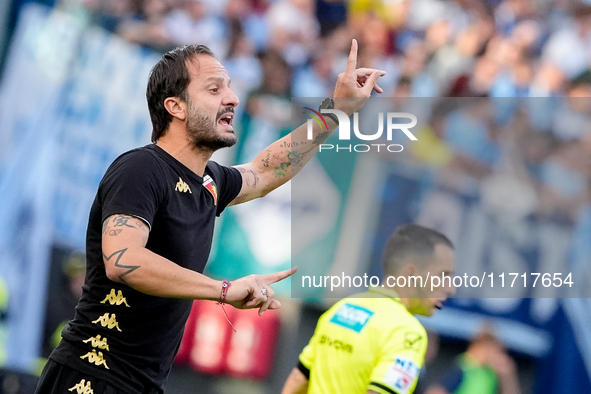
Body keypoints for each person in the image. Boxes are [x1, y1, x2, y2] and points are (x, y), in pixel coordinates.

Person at [34, 40, 385, 394]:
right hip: (92, 376)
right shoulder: (141, 168)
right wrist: (224, 290)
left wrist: (336, 110)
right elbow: (123, 261)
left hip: (141, 385)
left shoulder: (209, 183)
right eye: (214, 88)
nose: (232, 98)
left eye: (230, 87)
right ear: (176, 106)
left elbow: (265, 172)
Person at [282, 224, 456, 394]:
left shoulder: (343, 307)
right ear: (410, 274)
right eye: (443, 275)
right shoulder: (408, 332)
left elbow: (299, 377)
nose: (450, 288)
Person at [424, 330, 521, 394]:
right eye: (496, 350)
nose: (498, 355)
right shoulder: (464, 367)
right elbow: (436, 391)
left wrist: (507, 376)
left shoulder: (491, 374)